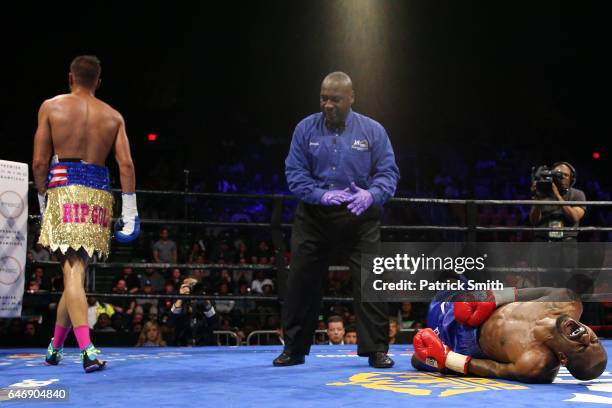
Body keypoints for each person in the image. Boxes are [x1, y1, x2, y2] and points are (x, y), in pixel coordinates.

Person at [275, 71, 400, 368]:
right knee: (301, 280)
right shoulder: (305, 129)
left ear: (351, 98)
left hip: (359, 214)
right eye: (323, 98)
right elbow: (294, 172)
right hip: (315, 214)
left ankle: (377, 350)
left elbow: (388, 173)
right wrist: (319, 195)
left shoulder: (373, 130)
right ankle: (294, 349)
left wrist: (370, 195)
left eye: (335, 99)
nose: (328, 105)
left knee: (372, 279)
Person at [32, 55, 140, 372]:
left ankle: (87, 349)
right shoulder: (113, 116)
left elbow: (39, 163)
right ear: (98, 81)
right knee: (75, 272)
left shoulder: (51, 106)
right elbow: (127, 165)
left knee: (72, 272)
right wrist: (131, 212)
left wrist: (42, 202)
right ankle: (54, 347)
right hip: (97, 196)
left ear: (70, 77)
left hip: (63, 189)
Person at [412, 287, 607, 383]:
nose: (585, 337)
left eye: (583, 348)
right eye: (594, 340)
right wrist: (486, 297)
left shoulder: (536, 365)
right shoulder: (568, 300)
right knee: (444, 289)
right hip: (477, 309)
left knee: (418, 360)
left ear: (563, 358)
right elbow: (520, 293)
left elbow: (493, 369)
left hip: (463, 344)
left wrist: (447, 359)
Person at [529, 162, 586, 242]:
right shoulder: (543, 192)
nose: (562, 177)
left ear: (571, 179)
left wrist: (557, 195)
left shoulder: (578, 194)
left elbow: (574, 217)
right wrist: (538, 198)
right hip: (542, 240)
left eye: (566, 175)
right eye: (558, 175)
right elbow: (534, 221)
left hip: (567, 241)